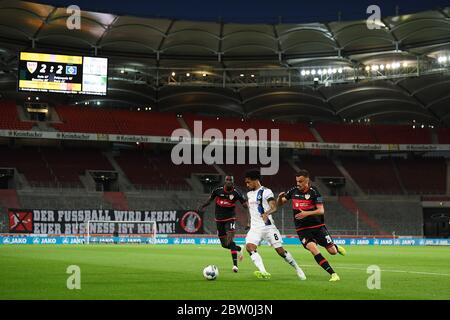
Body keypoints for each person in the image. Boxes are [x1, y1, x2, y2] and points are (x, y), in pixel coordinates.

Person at [277, 169, 346, 282]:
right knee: (313, 248)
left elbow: (321, 210)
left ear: (307, 181)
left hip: (318, 227)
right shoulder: (293, 191)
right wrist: (280, 198)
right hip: (302, 229)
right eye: (297, 181)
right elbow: (280, 204)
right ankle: (333, 274)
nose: (298, 183)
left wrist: (306, 213)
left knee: (332, 251)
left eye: (300, 181)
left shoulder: (314, 192)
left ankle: (336, 247)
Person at [244, 169, 306, 280]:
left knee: (281, 251)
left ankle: (298, 268)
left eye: (248, 182)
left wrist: (266, 213)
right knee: (249, 247)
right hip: (255, 228)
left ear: (255, 180)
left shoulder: (266, 192)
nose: (247, 184)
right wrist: (249, 222)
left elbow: (274, 207)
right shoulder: (249, 194)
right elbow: (251, 210)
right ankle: (263, 271)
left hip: (268, 227)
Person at [198, 175, 247, 272]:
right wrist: (202, 206)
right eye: (227, 180)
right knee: (224, 245)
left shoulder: (236, 193)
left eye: (230, 180)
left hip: (230, 218)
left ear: (233, 182)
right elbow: (210, 200)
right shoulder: (218, 190)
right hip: (219, 220)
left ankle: (235, 265)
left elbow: (244, 205)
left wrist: (247, 208)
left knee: (230, 240)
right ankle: (239, 248)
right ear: (225, 181)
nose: (228, 181)